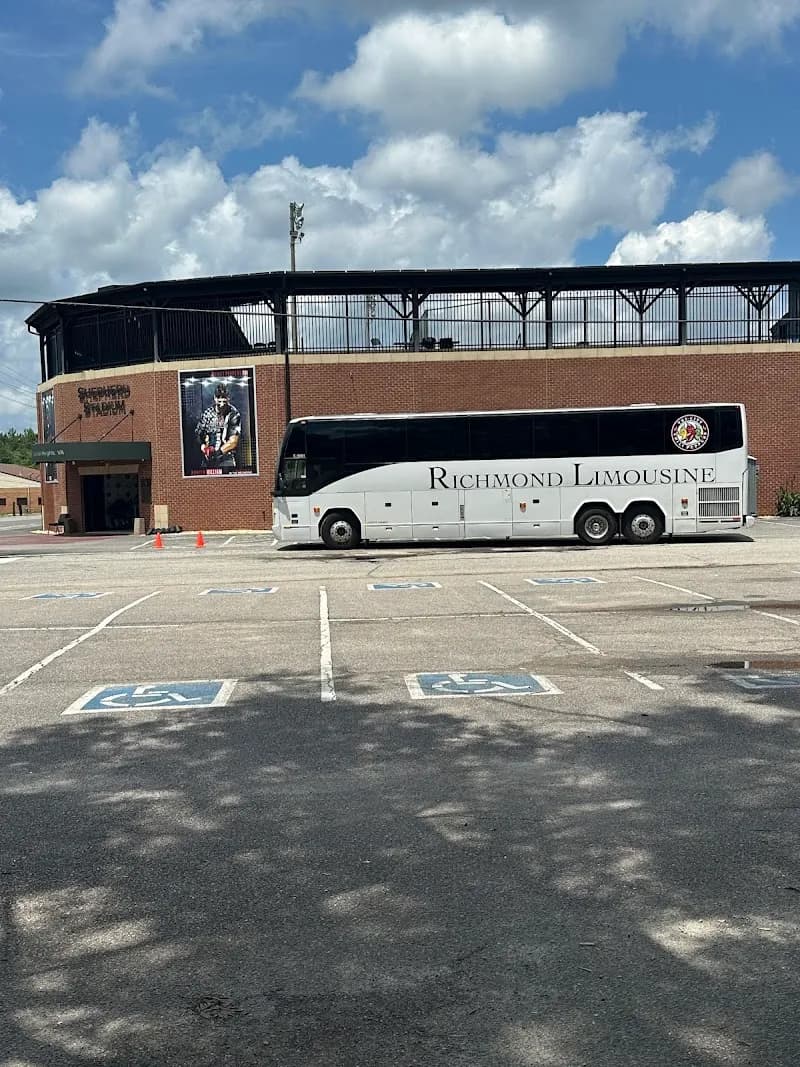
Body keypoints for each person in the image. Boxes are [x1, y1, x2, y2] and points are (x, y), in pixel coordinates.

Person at [194, 383, 242, 473]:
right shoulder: (207, 414)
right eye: (219, 401)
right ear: (215, 398)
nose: (222, 404)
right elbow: (198, 434)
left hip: (226, 459)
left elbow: (233, 441)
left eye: (224, 401)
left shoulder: (233, 414)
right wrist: (203, 446)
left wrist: (217, 453)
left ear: (228, 399)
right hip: (207, 460)